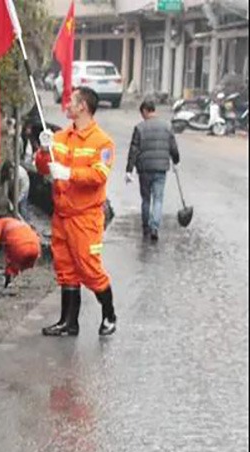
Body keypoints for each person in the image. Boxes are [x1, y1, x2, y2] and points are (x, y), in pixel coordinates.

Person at [35, 86, 117, 337]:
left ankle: (109, 314)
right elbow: (42, 168)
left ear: (83, 107)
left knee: (89, 267)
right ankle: (68, 322)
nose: (67, 103)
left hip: (86, 217)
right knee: (65, 268)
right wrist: (42, 149)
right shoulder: (59, 137)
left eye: (72, 100)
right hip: (62, 214)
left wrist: (70, 174)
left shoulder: (103, 142)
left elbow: (99, 175)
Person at [125, 99, 180, 242]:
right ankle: (155, 226)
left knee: (146, 199)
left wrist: (129, 170)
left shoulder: (139, 128)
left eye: (142, 113)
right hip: (161, 168)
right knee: (158, 198)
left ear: (145, 111)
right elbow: (173, 147)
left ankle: (145, 227)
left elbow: (134, 150)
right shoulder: (167, 126)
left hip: (144, 168)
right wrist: (176, 161)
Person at [0, 217, 41, 288]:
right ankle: (23, 283)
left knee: (11, 266)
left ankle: (8, 285)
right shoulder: (19, 223)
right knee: (26, 268)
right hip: (35, 246)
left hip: (20, 247)